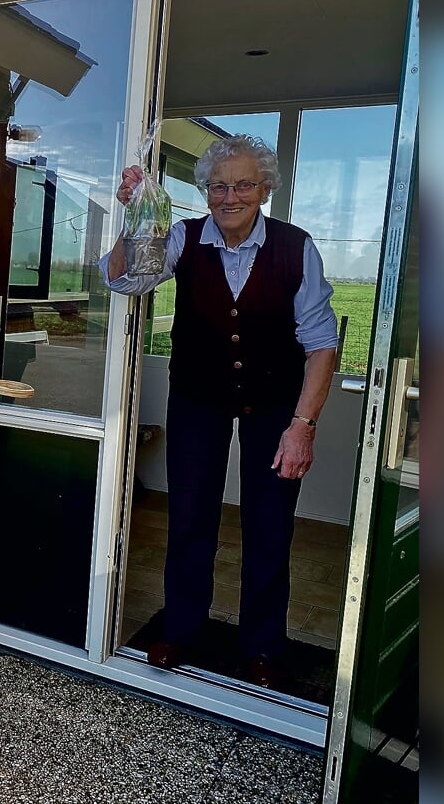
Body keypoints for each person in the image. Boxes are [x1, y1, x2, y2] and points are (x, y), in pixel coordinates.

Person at [101, 134, 338, 689]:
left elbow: (321, 343)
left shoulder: (295, 246)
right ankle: (182, 631)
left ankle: (261, 645)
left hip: (275, 404)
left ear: (264, 189)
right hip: (197, 398)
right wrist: (131, 220)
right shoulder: (181, 238)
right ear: (205, 192)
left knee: (269, 525)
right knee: (188, 520)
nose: (230, 196)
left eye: (243, 185)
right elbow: (123, 280)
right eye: (218, 186)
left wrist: (302, 427)